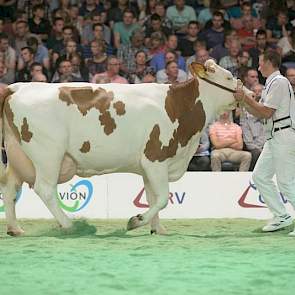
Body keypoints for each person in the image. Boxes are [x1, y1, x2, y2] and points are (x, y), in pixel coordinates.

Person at [234, 50, 295, 235]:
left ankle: (283, 216)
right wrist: (244, 101)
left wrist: (244, 99)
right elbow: (261, 113)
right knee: (260, 176)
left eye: (261, 63)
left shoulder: (279, 82)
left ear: (270, 62)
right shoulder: (271, 83)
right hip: (274, 137)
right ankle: (282, 216)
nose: (259, 66)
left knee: (286, 182)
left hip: (283, 135)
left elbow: (266, 112)